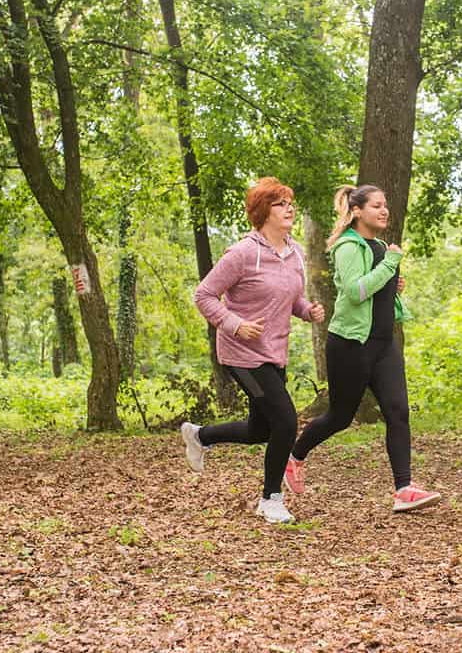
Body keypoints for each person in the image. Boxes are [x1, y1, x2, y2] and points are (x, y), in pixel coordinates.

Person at [283, 184, 441, 512]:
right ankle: (294, 456)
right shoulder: (347, 246)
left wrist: (393, 284)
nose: (384, 211)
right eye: (376, 206)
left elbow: (377, 287)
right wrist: (389, 266)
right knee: (340, 417)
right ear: (357, 211)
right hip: (352, 344)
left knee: (398, 412)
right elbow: (355, 292)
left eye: (385, 205)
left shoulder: (380, 245)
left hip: (383, 344)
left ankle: (404, 489)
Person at [183, 177, 325, 524]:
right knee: (286, 421)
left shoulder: (295, 254)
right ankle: (271, 498)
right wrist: (234, 324)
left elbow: (290, 298)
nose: (289, 208)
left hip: (274, 352)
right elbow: (203, 295)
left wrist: (307, 310)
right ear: (263, 212)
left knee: (261, 430)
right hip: (241, 354)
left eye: (291, 202)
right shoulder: (243, 253)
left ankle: (200, 435)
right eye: (280, 204)